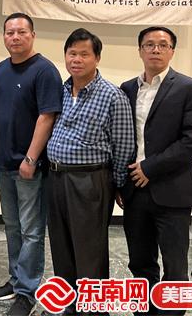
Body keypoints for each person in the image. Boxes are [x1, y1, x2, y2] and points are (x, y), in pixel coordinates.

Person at [120, 26, 192, 316]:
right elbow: (121, 138)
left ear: (172, 51)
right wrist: (121, 182)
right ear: (140, 51)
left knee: (175, 266)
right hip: (135, 191)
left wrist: (150, 167)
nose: (155, 49)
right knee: (140, 263)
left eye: (162, 45)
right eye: (149, 44)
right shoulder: (127, 89)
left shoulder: (190, 88)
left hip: (173, 190)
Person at [46, 28, 134, 313]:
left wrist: (117, 184)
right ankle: (69, 304)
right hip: (56, 177)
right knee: (61, 245)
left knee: (89, 250)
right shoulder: (60, 90)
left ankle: (93, 308)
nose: (77, 59)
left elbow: (124, 145)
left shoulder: (113, 96)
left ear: (97, 58)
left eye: (84, 54)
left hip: (90, 180)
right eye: (72, 53)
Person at [0, 13, 62, 316]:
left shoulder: (45, 71)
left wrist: (31, 158)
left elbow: (47, 117)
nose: (15, 37)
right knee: (12, 225)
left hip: (29, 165)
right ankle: (16, 278)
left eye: (21, 32)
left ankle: (27, 292)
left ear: (32, 35)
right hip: (3, 162)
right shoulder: (1, 70)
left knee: (32, 229)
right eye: (9, 32)